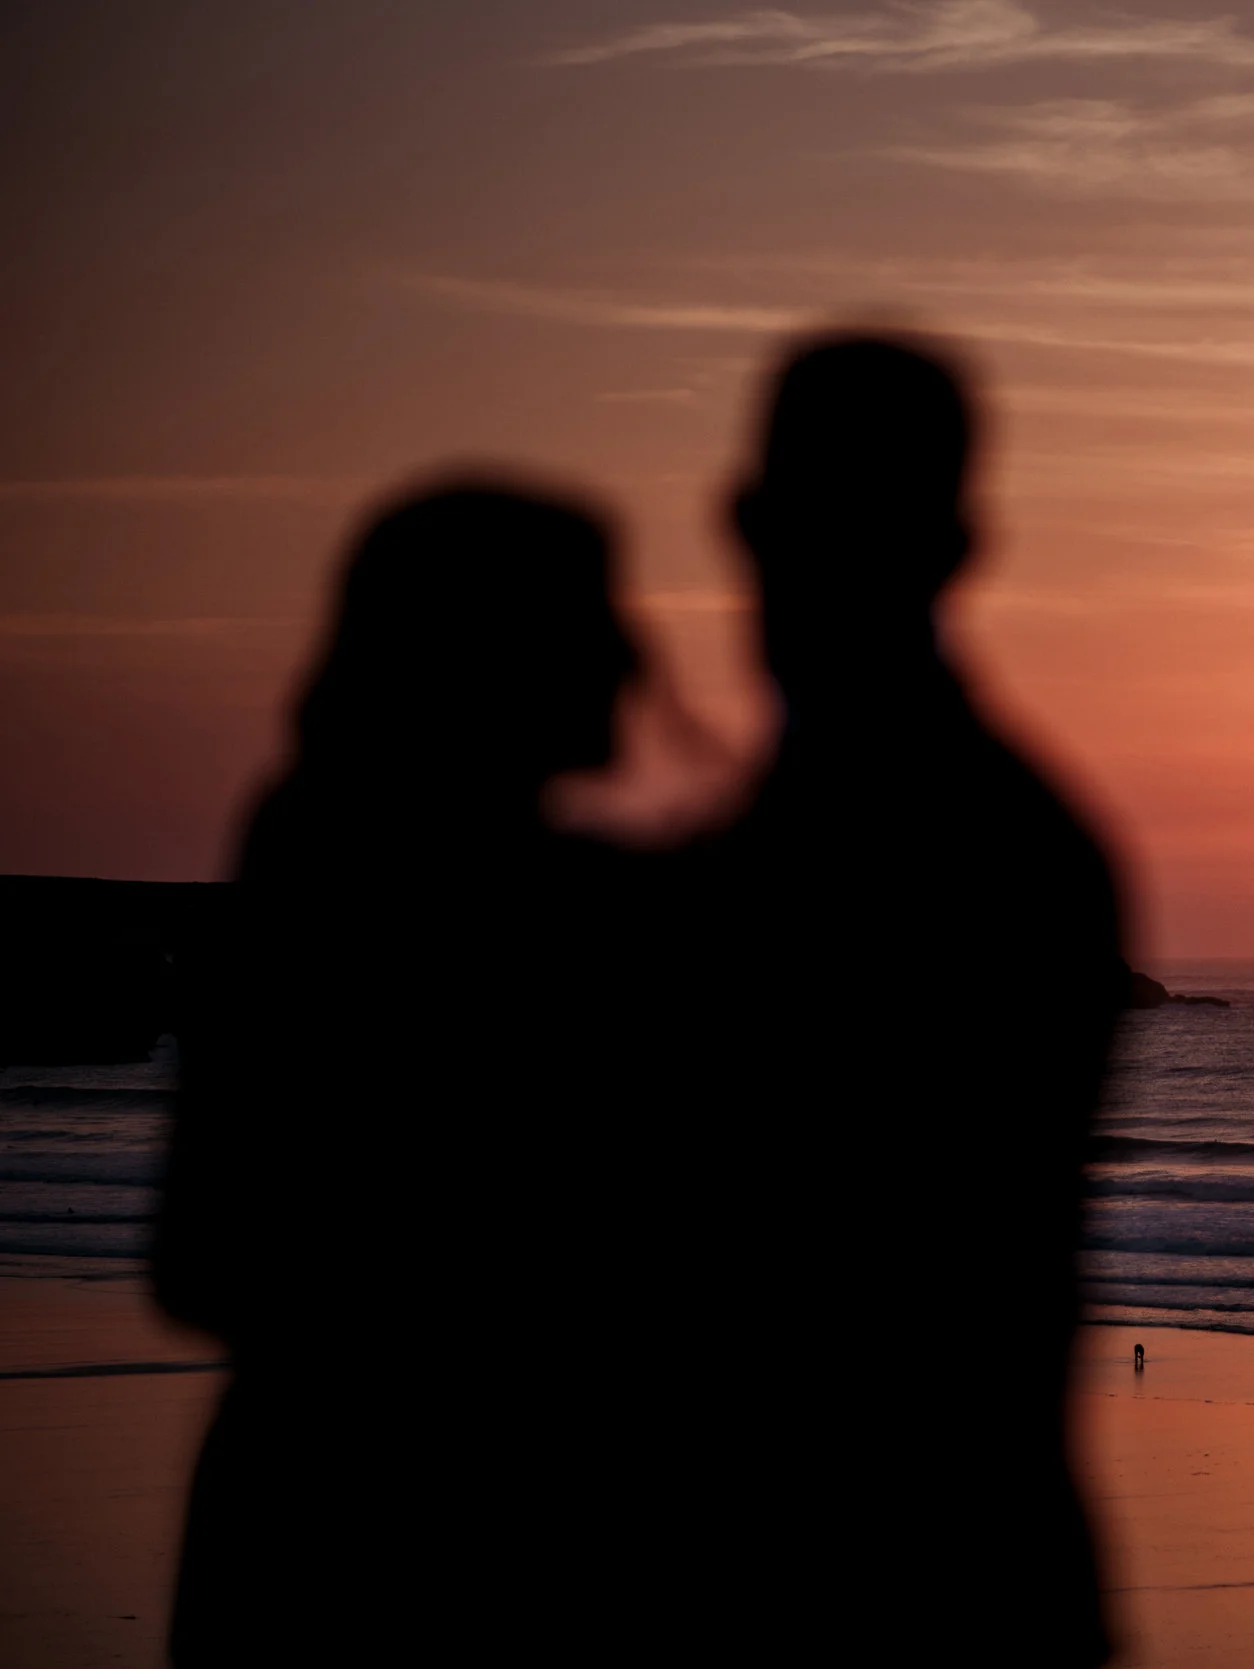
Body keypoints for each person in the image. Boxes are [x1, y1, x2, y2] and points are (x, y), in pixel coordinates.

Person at [683, 333, 1126, 1663]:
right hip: (985, 1570)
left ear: (742, 525)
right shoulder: (1038, 840)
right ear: (965, 545)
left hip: (863, 1580)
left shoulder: (797, 865)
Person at [153, 485, 646, 1666]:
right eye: (596, 617)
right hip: (405, 1555)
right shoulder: (520, 909)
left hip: (288, 1533)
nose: (632, 654)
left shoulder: (311, 845)